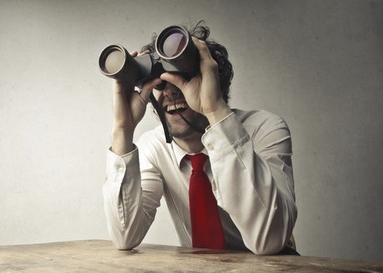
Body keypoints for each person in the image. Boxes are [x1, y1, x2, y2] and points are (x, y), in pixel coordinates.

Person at [102, 22, 297, 255]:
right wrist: (123, 129)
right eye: (161, 81)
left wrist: (214, 110)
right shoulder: (152, 148)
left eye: (184, 77)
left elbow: (270, 240)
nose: (171, 91)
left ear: (215, 81)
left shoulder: (264, 128)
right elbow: (125, 237)